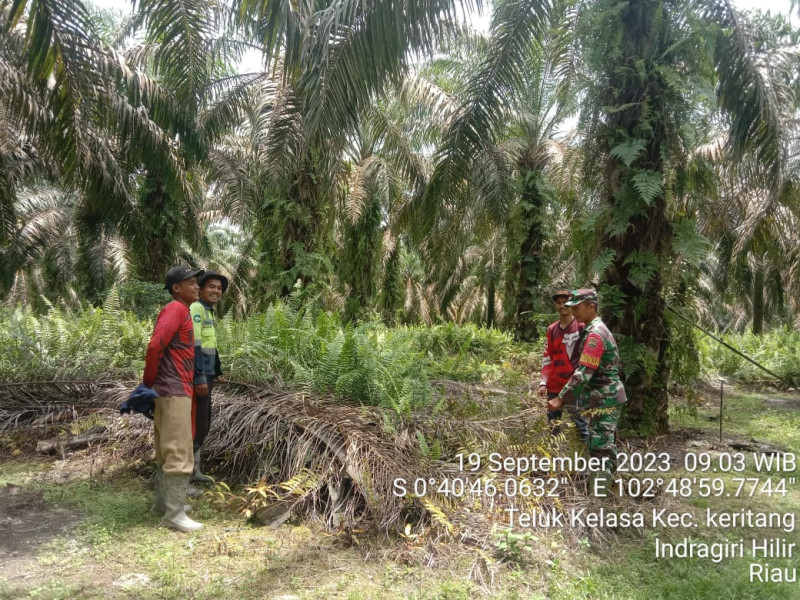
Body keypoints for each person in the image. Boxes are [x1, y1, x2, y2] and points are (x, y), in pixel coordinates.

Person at [143, 265, 205, 532]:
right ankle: (174, 514)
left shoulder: (182, 310)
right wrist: (147, 384)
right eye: (191, 282)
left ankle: (164, 505)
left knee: (167, 448)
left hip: (172, 389)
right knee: (179, 449)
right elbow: (155, 345)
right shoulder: (176, 309)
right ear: (176, 288)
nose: (197, 287)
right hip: (174, 389)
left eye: (196, 282)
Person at [548, 288, 627, 497]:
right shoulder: (592, 329)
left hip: (605, 399)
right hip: (604, 398)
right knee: (606, 445)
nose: (573, 312)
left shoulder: (595, 335)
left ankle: (598, 500)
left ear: (591, 306)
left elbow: (583, 373)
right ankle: (611, 490)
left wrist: (561, 398)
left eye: (577, 307)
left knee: (599, 449)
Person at [189, 271, 229, 486]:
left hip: (207, 375)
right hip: (199, 377)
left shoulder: (208, 312)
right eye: (212, 287)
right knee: (197, 423)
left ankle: (195, 470)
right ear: (201, 289)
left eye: (219, 288)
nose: (216, 291)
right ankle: (185, 473)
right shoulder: (196, 308)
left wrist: (218, 369)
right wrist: (200, 377)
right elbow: (194, 345)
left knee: (203, 422)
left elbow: (209, 346)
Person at [537, 289, 590, 445]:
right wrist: (543, 382)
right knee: (553, 426)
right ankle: (554, 463)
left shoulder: (581, 326)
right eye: (558, 303)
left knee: (581, 425)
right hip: (554, 386)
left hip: (573, 385)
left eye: (566, 302)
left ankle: (588, 462)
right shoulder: (552, 329)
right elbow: (547, 357)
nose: (562, 306)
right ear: (555, 305)